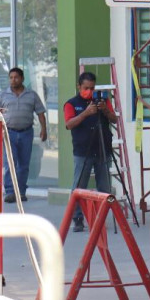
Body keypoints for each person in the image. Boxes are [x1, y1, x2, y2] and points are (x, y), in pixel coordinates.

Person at [64, 72, 117, 232]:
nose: (89, 91)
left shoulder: (103, 100)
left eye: (92, 88)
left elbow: (114, 119)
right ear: (79, 87)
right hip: (82, 150)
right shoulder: (72, 104)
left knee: (104, 186)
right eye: (86, 88)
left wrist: (105, 111)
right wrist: (86, 113)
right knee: (80, 186)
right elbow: (69, 124)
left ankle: (101, 218)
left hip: (102, 148)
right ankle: (77, 218)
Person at [0, 67, 47, 203]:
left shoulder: (32, 95)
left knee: (23, 165)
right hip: (8, 133)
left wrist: (44, 129)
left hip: (26, 133)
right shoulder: (2, 96)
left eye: (16, 77)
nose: (13, 80)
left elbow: (40, 113)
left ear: (22, 79)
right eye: (11, 77)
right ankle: (11, 192)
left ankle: (21, 192)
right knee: (10, 164)